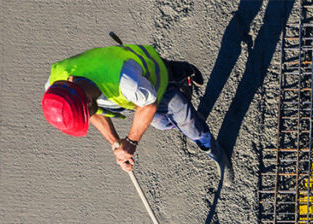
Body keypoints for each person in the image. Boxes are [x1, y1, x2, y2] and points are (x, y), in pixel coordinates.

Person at [42, 43, 233, 185]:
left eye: (86, 113)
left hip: (154, 81)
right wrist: (117, 146)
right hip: (134, 95)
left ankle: (215, 152)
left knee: (191, 126)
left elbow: (148, 105)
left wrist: (131, 142)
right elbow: (93, 113)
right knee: (163, 124)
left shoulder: (125, 81)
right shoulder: (57, 87)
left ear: (87, 100)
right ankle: (179, 79)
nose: (88, 117)